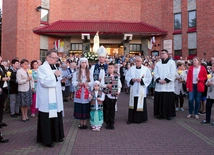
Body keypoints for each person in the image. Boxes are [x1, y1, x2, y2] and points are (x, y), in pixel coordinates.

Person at [36, 51, 65, 148]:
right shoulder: (42, 68)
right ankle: (47, 140)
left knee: (56, 114)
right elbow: (44, 82)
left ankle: (57, 136)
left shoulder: (55, 66)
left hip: (55, 97)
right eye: (54, 58)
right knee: (47, 117)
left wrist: (60, 78)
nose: (56, 60)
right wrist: (55, 75)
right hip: (46, 98)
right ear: (47, 57)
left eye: (56, 58)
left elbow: (56, 79)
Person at [125, 56, 152, 124]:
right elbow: (127, 77)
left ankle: (140, 119)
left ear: (141, 62)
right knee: (133, 103)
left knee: (140, 103)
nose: (136, 62)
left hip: (141, 89)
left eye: (138, 61)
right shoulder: (131, 69)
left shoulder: (145, 69)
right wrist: (132, 80)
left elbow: (149, 78)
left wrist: (142, 80)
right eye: (136, 61)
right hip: (133, 89)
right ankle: (131, 119)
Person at [153, 49, 176, 120]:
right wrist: (159, 80)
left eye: (163, 53)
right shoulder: (158, 63)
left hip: (168, 86)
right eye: (161, 53)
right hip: (159, 86)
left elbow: (173, 72)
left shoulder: (171, 62)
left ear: (167, 54)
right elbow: (155, 73)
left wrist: (166, 80)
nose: (161, 54)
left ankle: (168, 114)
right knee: (160, 100)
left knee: (168, 101)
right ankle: (160, 114)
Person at [73, 57, 92, 129]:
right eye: (82, 62)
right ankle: (80, 123)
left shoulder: (89, 72)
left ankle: (85, 123)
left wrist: (88, 84)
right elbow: (73, 82)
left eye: (85, 63)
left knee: (85, 107)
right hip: (79, 92)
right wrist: (78, 83)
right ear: (80, 63)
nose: (83, 64)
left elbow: (92, 82)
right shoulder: (76, 72)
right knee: (80, 107)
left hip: (86, 91)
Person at [101, 63, 122, 130]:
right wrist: (106, 85)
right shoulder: (104, 76)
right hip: (107, 94)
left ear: (113, 69)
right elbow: (101, 84)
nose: (110, 69)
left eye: (111, 68)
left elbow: (119, 85)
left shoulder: (116, 76)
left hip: (114, 95)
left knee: (112, 109)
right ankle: (107, 122)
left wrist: (118, 91)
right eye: (109, 67)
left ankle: (112, 123)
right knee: (107, 109)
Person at [0, 61, 10, 128]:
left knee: (1, 106)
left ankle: (0, 121)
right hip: (0, 87)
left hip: (4, 88)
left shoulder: (2, 67)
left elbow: (5, 74)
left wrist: (7, 77)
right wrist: (2, 79)